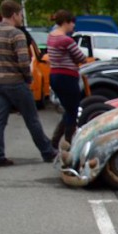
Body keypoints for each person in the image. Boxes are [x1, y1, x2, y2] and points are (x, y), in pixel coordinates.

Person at [0, 0, 57, 167]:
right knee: (31, 119)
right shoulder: (16, 33)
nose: (21, 19)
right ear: (14, 15)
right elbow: (24, 62)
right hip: (15, 82)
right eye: (20, 15)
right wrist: (28, 79)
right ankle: (47, 152)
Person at [46, 10, 88, 149]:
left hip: (54, 75)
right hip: (67, 77)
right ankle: (69, 142)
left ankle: (55, 141)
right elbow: (81, 57)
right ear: (66, 22)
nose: (73, 27)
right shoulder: (66, 40)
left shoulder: (51, 37)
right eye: (72, 24)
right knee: (73, 110)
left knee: (68, 109)